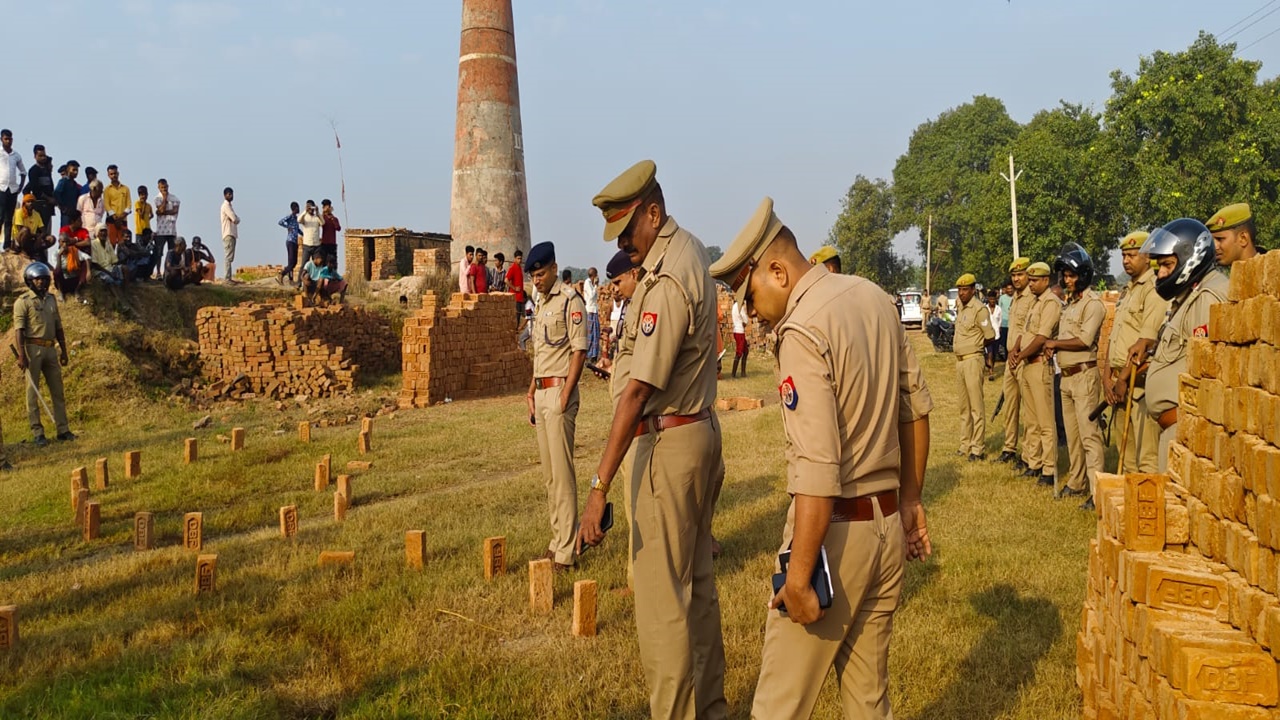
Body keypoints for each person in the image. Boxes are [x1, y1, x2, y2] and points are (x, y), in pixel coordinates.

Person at [710, 198, 933, 719]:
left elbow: (816, 468)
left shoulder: (802, 329)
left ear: (778, 271)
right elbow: (916, 409)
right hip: (884, 529)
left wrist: (800, 575)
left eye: (749, 296)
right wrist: (912, 502)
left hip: (834, 536)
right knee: (867, 700)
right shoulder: (875, 298)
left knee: (777, 708)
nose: (750, 311)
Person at [577, 160, 726, 719]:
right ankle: (709, 708)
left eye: (627, 231)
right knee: (699, 594)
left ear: (653, 214)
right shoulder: (686, 254)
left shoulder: (665, 277)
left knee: (664, 604)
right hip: (697, 432)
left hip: (671, 443)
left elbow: (638, 392)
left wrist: (598, 486)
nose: (623, 245)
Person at [1132, 218, 1229, 472]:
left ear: (1191, 257)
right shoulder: (1187, 297)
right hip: (1175, 429)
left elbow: (1208, 372)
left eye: (1167, 265)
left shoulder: (1208, 298)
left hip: (1186, 430)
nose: (1161, 273)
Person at [524, 242, 589, 572]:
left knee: (562, 475)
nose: (536, 281)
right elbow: (541, 353)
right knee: (550, 476)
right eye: (533, 277)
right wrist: (532, 390)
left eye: (540, 274)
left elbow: (579, 351)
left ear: (553, 269)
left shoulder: (570, 301)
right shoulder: (540, 301)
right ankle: (557, 539)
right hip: (542, 392)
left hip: (561, 393)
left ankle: (567, 551)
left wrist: (566, 393)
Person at [1044, 243, 1106, 509]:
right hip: (1066, 377)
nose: (1067, 280)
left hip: (1084, 375)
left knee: (1089, 435)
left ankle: (1096, 489)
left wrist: (1054, 344)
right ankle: (1077, 481)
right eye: (1065, 276)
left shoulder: (1093, 304)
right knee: (1072, 435)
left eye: (1071, 275)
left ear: (1083, 275)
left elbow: (1084, 340)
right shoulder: (1069, 304)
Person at [1103, 231, 1166, 474]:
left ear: (1147, 255)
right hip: (1119, 383)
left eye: (1132, 255)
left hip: (1137, 385)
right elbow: (1115, 337)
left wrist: (1122, 379)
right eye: (1123, 256)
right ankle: (1126, 505)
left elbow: (1146, 341)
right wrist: (1108, 377)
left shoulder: (1154, 289)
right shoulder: (1127, 290)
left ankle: (1144, 508)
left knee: (1145, 458)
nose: (1126, 260)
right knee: (1125, 455)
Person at [14, 262, 77, 446]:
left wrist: (64, 351)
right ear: (30, 281)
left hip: (51, 348)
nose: (41, 282)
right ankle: (38, 433)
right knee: (32, 393)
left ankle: (63, 430)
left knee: (58, 391)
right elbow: (19, 330)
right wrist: (21, 355)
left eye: (44, 279)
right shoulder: (22, 302)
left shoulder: (51, 299)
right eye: (37, 279)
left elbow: (58, 326)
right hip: (32, 349)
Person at [1009, 262, 1060, 486]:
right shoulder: (1034, 302)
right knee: (1031, 420)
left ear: (1046, 280)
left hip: (1039, 365)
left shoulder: (1050, 303)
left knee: (1045, 421)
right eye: (1029, 280)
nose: (1031, 284)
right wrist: (1015, 349)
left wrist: (1019, 356)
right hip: (1028, 364)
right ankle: (1034, 462)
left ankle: (1049, 469)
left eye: (1035, 280)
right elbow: (1026, 332)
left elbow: (1041, 338)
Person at [953, 273, 994, 461]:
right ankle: (965, 443)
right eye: (960, 289)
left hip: (972, 359)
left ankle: (977, 447)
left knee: (976, 406)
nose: (961, 293)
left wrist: (977, 347)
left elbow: (990, 335)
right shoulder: (960, 308)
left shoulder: (979, 309)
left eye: (965, 289)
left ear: (973, 289)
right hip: (960, 361)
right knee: (964, 406)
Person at [1207, 202, 1261, 272]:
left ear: (1243, 238)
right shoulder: (1234, 276)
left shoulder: (1272, 274)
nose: (1215, 247)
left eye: (1219, 239)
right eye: (1212, 240)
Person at [55, 212, 91, 301]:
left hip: (76, 257)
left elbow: (88, 242)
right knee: (57, 272)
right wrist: (77, 239)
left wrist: (73, 242)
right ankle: (61, 292)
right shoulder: (64, 229)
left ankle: (77, 291)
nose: (81, 223)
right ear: (72, 221)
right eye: (79, 221)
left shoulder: (83, 230)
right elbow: (64, 239)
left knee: (85, 261)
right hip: (65, 260)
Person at [0, 129, 26, 252]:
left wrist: (20, 187)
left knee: (9, 218)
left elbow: (23, 172)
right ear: (1, 139)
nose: (8, 141)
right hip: (1, 188)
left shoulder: (16, 155)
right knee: (0, 217)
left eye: (10, 139)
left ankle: (6, 245)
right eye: (6, 139)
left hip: (12, 189)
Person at [24, 145, 57, 237]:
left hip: (48, 206)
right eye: (40, 156)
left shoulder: (46, 170)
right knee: (39, 231)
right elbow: (35, 189)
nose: (43, 158)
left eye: (44, 155)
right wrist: (48, 199)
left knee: (47, 232)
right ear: (35, 156)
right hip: (40, 204)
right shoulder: (33, 171)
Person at [13, 193, 54, 261]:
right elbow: (20, 230)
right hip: (20, 239)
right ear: (24, 203)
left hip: (32, 239)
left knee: (51, 238)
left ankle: (35, 251)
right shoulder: (19, 212)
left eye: (32, 201)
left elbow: (43, 230)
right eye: (28, 202)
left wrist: (41, 236)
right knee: (26, 230)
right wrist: (36, 235)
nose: (31, 203)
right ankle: (20, 250)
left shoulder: (36, 214)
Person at [152, 178, 180, 278]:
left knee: (171, 252)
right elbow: (161, 210)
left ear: (168, 186)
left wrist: (162, 212)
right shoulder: (157, 198)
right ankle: (158, 272)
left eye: (165, 187)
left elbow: (174, 211)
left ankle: (168, 273)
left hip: (171, 230)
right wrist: (164, 199)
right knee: (159, 252)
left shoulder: (174, 198)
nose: (164, 189)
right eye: (162, 187)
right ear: (159, 188)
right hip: (161, 230)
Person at [102, 165, 131, 246]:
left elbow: (129, 205)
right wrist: (115, 218)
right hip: (111, 221)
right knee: (111, 244)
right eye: (111, 174)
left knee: (124, 244)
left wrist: (121, 218)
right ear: (108, 175)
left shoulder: (125, 189)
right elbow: (107, 205)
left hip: (123, 220)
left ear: (118, 173)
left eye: (115, 173)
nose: (113, 176)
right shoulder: (107, 190)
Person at [297, 200, 323, 282]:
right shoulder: (305, 218)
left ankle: (316, 283)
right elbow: (298, 220)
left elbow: (323, 223)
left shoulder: (316, 218)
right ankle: (299, 283)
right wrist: (305, 211)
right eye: (309, 207)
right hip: (307, 245)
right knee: (304, 265)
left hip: (316, 246)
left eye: (312, 207)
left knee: (318, 265)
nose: (311, 209)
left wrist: (318, 212)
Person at [277, 202, 302, 285]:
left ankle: (291, 279)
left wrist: (304, 234)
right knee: (291, 263)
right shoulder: (290, 217)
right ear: (294, 209)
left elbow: (297, 230)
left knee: (294, 262)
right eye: (297, 208)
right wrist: (288, 227)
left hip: (295, 241)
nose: (299, 209)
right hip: (290, 241)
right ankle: (281, 274)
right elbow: (280, 222)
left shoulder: (296, 219)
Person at [220, 187, 240, 282]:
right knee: (228, 257)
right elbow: (235, 219)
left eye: (231, 194)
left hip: (231, 233)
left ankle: (229, 277)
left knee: (230, 257)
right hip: (228, 233)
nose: (231, 196)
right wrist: (236, 218)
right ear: (225, 195)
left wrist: (236, 218)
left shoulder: (229, 206)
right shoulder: (226, 206)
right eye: (229, 194)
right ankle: (227, 278)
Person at [54, 160, 80, 230]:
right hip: (66, 214)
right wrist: (62, 207)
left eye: (77, 170)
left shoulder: (74, 184)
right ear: (68, 170)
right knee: (65, 233)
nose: (76, 172)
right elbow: (56, 193)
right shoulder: (63, 181)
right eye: (74, 170)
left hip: (74, 214)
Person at [984, 289, 1003, 380]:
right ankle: (991, 373)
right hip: (987, 335)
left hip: (996, 335)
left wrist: (999, 330)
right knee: (989, 353)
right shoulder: (985, 309)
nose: (992, 301)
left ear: (996, 299)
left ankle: (991, 366)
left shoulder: (999, 309)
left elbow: (1000, 321)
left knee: (994, 354)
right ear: (988, 299)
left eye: (993, 299)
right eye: (990, 299)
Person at [583, 267, 601, 364]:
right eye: (596, 275)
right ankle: (588, 355)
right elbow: (592, 295)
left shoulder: (591, 283)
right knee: (590, 334)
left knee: (595, 334)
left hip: (594, 310)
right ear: (593, 275)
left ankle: (594, 355)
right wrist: (595, 285)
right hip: (590, 311)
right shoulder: (588, 283)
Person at [134, 185, 154, 265]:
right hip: (139, 230)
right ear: (139, 195)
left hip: (147, 230)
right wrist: (143, 204)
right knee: (139, 250)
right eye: (142, 194)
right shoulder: (137, 203)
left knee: (147, 250)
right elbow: (141, 214)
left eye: (145, 194)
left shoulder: (149, 205)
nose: (144, 196)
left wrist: (147, 220)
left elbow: (152, 215)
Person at [730, 298, 750, 378]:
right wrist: (745, 322)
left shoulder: (734, 306)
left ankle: (743, 372)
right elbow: (745, 318)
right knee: (739, 352)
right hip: (739, 331)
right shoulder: (739, 307)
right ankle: (733, 374)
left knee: (745, 351)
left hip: (737, 330)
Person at [505, 249, 525, 321]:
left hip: (520, 297)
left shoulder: (519, 268)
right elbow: (506, 280)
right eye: (518, 258)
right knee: (515, 318)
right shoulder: (513, 268)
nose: (520, 260)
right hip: (515, 297)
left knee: (519, 318)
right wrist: (514, 288)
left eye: (521, 258)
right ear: (515, 259)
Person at [320, 198, 341, 263]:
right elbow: (320, 223)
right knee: (323, 262)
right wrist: (323, 213)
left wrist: (332, 218)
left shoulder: (334, 218)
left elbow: (338, 228)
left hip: (332, 243)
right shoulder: (322, 217)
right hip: (324, 243)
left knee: (332, 262)